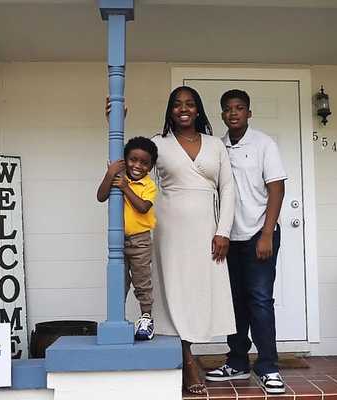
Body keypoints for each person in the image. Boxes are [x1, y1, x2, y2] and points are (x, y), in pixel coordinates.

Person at [150, 86, 236, 394]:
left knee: (199, 289)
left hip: (206, 228)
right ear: (170, 110)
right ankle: (187, 359)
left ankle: (190, 351)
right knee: (174, 289)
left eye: (190, 104)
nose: (183, 108)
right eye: (177, 104)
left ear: (198, 110)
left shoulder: (215, 145)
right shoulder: (157, 143)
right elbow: (134, 169)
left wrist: (223, 230)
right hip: (168, 227)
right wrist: (114, 121)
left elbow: (228, 189)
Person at [205, 89, 287, 394]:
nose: (233, 113)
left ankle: (268, 367)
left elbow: (276, 189)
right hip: (229, 237)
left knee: (260, 300)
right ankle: (237, 362)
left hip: (259, 235)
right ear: (222, 114)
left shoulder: (264, 143)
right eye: (227, 109)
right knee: (235, 303)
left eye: (239, 108)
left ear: (248, 113)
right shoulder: (217, 146)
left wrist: (267, 233)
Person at [97, 136, 159, 341]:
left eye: (144, 162)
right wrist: (110, 173)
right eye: (133, 159)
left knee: (142, 281)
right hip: (118, 241)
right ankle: (118, 319)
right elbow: (101, 195)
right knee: (119, 281)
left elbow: (143, 208)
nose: (137, 165)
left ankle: (146, 318)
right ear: (125, 159)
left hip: (140, 240)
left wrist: (125, 187)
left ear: (150, 166)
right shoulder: (118, 177)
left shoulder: (148, 185)